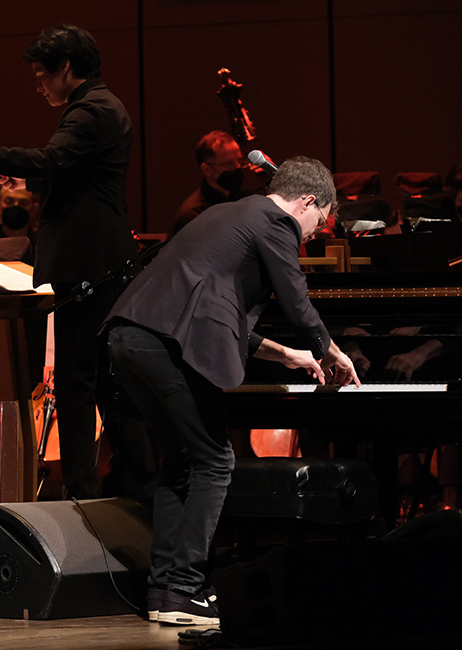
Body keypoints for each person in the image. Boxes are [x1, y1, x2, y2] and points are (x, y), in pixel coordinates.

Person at [105, 156, 360, 626]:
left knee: (181, 461)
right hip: (164, 345)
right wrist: (331, 350)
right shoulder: (275, 222)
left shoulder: (230, 213)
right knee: (216, 461)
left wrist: (287, 355)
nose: (312, 236)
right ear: (307, 202)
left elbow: (209, 311)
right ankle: (185, 589)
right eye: (320, 222)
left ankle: (164, 592)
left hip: (130, 337)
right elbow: (296, 301)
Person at [0, 24, 137, 499]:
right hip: (99, 261)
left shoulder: (90, 110)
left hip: (87, 264)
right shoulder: (102, 105)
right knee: (101, 381)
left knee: (76, 383)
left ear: (65, 67)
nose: (39, 85)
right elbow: (72, 173)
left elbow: (51, 159)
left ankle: (83, 494)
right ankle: (133, 485)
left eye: (41, 75)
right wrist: (25, 181)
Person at [169, 130, 247, 237]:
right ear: (207, 170)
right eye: (229, 163)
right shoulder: (192, 216)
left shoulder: (243, 199)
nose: (237, 167)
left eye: (239, 160)